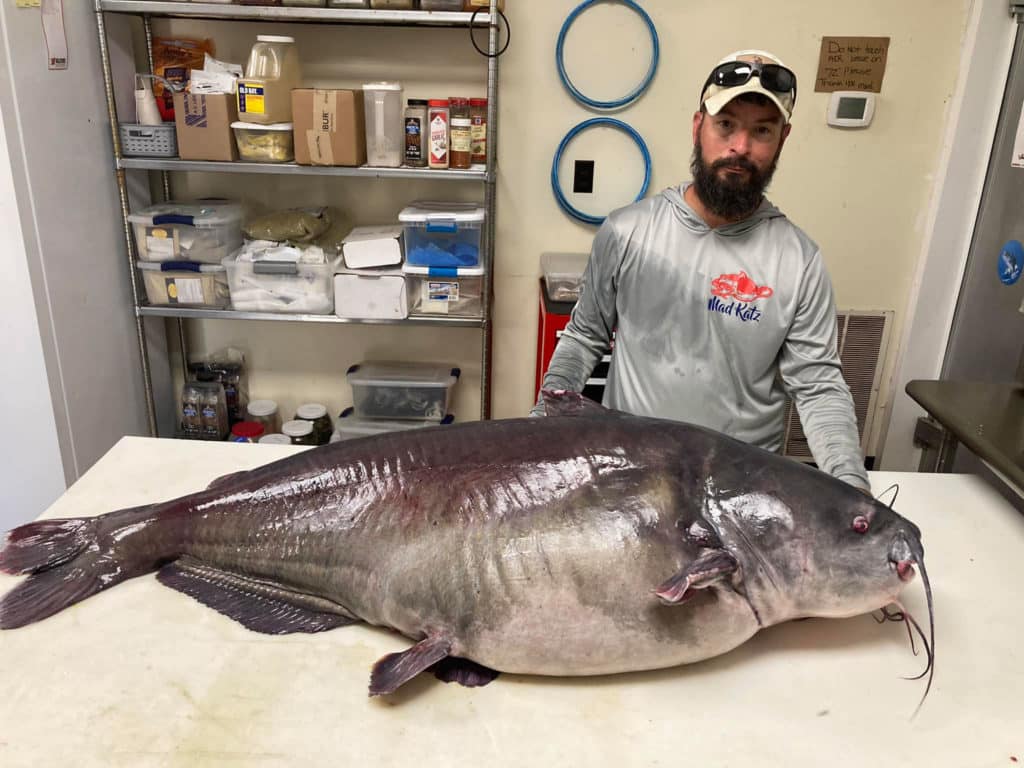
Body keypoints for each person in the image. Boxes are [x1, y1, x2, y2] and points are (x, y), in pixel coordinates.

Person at [533, 49, 870, 492]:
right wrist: (540, 427)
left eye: (761, 131)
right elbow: (584, 337)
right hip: (630, 474)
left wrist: (851, 484)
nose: (741, 147)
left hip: (740, 491)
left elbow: (818, 385)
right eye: (725, 124)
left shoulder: (798, 259)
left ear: (783, 139)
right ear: (698, 127)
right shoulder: (627, 232)